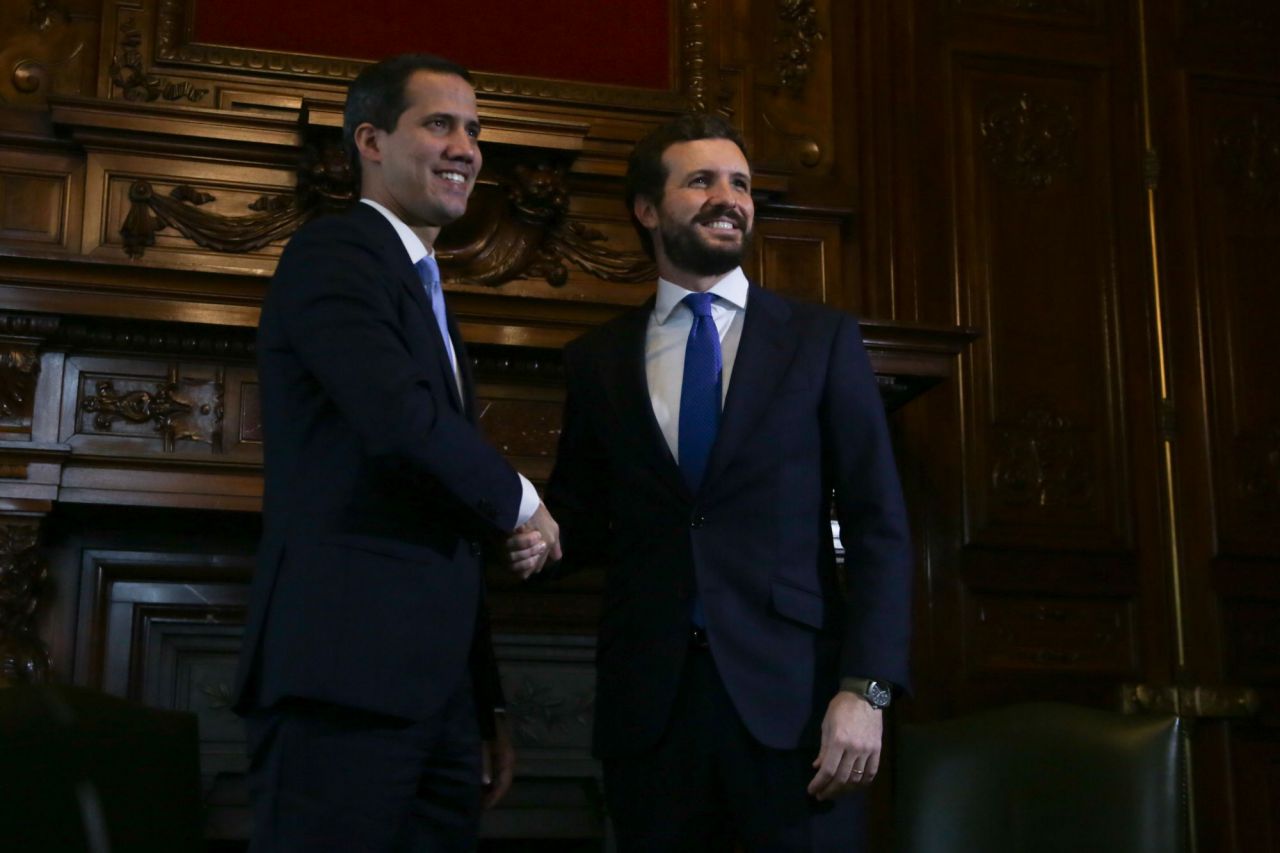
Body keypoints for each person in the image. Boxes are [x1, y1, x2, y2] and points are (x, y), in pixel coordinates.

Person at [508, 114, 913, 851]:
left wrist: (867, 690)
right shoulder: (598, 360)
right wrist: (536, 538)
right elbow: (583, 514)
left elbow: (878, 522)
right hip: (651, 712)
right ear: (647, 208)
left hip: (794, 710)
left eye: (741, 183)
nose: (729, 197)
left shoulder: (820, 340)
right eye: (701, 180)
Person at [234, 53, 560, 852]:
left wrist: (485, 707)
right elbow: (402, 423)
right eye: (440, 123)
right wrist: (526, 503)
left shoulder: (424, 288)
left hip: (439, 704)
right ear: (370, 141)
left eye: (475, 130)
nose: (467, 147)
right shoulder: (334, 254)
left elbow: (438, 509)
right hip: (341, 684)